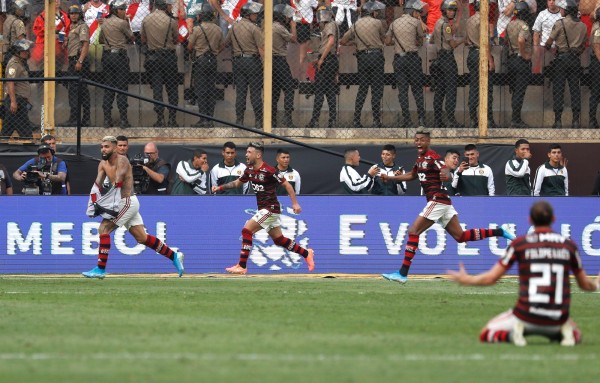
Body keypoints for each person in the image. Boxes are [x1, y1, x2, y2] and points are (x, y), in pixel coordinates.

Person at [448, 200, 600, 346]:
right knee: (576, 335)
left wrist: (467, 279)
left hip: (525, 316)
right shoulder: (569, 246)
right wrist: (597, 284)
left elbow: (491, 278)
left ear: (529, 220)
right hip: (556, 318)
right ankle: (566, 332)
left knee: (486, 333)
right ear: (553, 219)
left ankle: (512, 334)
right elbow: (585, 285)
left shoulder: (520, 244)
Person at [380, 130, 515, 283]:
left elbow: (445, 170)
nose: (418, 142)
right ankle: (500, 231)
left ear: (428, 141)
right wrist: (390, 178)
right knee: (461, 236)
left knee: (413, 231)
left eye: (422, 140)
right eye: (416, 139)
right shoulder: (420, 159)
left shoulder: (433, 156)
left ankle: (403, 273)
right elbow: (412, 175)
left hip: (437, 199)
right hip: (444, 202)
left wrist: (447, 175)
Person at [82, 136, 184, 279]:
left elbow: (118, 181)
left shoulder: (122, 160)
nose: (103, 149)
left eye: (106, 146)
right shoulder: (102, 164)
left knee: (103, 229)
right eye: (101, 147)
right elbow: (97, 185)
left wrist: (107, 204)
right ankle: (174, 256)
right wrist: (93, 201)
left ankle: (100, 269)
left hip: (127, 201)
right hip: (123, 202)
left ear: (115, 147)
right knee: (142, 238)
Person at [211, 142, 315, 274]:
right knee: (279, 240)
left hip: (270, 209)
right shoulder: (249, 170)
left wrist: (295, 203)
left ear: (258, 155)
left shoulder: (269, 170)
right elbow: (237, 183)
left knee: (246, 230)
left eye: (249, 152)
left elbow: (287, 186)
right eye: (247, 152)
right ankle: (306, 253)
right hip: (264, 210)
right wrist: (220, 187)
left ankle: (242, 266)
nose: (246, 154)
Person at [340, 0, 386, 129]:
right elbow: (384, 39)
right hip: (376, 56)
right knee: (376, 89)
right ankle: (376, 121)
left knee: (363, 89)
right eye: (375, 11)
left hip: (362, 58)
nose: (377, 13)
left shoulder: (356, 24)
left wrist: (355, 43)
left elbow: (343, 41)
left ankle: (356, 120)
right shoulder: (378, 23)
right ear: (372, 12)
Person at [545, 0, 587, 129]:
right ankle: (575, 121)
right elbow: (583, 46)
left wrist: (552, 49)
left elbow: (548, 42)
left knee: (558, 90)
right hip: (575, 60)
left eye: (562, 9)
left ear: (567, 11)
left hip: (561, 60)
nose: (561, 11)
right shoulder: (583, 26)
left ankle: (558, 121)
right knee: (575, 90)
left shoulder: (560, 23)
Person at [385, 0, 427, 128]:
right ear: (413, 11)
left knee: (402, 91)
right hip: (413, 59)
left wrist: (396, 44)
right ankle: (421, 119)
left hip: (399, 59)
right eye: (417, 12)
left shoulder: (394, 23)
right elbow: (421, 40)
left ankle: (407, 120)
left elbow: (387, 41)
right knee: (417, 90)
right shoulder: (415, 22)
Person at [222, 1, 264, 127]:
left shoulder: (234, 26)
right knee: (255, 92)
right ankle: (258, 121)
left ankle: (239, 120)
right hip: (253, 61)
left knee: (241, 93)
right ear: (248, 15)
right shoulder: (254, 28)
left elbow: (225, 44)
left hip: (238, 62)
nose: (256, 16)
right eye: (254, 14)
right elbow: (261, 48)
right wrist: (264, 64)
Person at [141, 0, 180, 128]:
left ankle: (160, 119)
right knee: (172, 89)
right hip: (168, 57)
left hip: (153, 58)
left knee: (157, 89)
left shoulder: (146, 19)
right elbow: (176, 39)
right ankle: (173, 119)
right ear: (166, 7)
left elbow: (143, 39)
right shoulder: (171, 21)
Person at [99, 0, 134, 128]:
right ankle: (123, 120)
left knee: (109, 88)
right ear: (116, 10)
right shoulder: (122, 22)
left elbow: (101, 39)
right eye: (122, 9)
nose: (124, 11)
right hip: (119, 57)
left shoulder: (104, 23)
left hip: (107, 56)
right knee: (122, 88)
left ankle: (107, 120)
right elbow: (132, 37)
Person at [187, 3, 223, 128]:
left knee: (201, 91)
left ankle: (203, 119)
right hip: (212, 60)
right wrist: (214, 51)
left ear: (201, 16)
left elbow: (189, 46)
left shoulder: (197, 29)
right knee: (211, 90)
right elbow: (221, 45)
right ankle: (210, 119)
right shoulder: (218, 29)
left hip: (201, 60)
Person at [430, 0, 464, 129]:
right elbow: (453, 44)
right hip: (448, 59)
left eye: (453, 10)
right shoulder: (445, 25)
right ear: (444, 10)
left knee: (440, 90)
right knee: (451, 90)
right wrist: (463, 40)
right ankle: (451, 120)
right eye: (450, 10)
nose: (452, 12)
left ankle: (437, 120)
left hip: (439, 58)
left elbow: (432, 39)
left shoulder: (438, 22)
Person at [306, 6, 339, 129]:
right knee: (330, 91)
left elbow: (331, 42)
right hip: (330, 60)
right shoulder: (327, 26)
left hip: (327, 61)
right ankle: (332, 121)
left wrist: (321, 59)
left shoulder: (330, 25)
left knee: (320, 91)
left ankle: (314, 120)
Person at [466, 0, 497, 129]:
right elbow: (485, 43)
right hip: (481, 54)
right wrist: (490, 59)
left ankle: (473, 118)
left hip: (472, 53)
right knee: (487, 89)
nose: (489, 8)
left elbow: (468, 40)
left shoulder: (470, 20)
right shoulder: (483, 20)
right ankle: (488, 119)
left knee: (474, 86)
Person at [61, 4, 91, 127]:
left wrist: (80, 61)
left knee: (77, 90)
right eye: (71, 13)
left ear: (80, 14)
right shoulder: (72, 27)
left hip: (78, 61)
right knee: (77, 90)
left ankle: (77, 119)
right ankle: (80, 119)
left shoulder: (82, 26)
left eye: (76, 13)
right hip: (73, 60)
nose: (73, 15)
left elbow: (85, 45)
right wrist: (66, 43)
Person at [506, 1, 532, 129]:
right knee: (519, 92)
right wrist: (524, 54)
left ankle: (515, 118)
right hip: (520, 61)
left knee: (515, 90)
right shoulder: (524, 26)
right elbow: (521, 40)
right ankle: (516, 119)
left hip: (511, 60)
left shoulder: (510, 24)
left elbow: (505, 41)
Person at [3, 39, 35, 139]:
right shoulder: (14, 64)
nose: (27, 53)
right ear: (18, 52)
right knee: (24, 129)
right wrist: (13, 101)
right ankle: (29, 147)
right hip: (16, 100)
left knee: (8, 128)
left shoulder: (20, 63)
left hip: (20, 100)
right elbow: (10, 82)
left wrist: (26, 98)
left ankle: (2, 145)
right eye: (25, 51)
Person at [272, 3, 297, 128]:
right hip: (280, 61)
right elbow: (293, 39)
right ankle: (287, 118)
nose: (288, 18)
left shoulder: (267, 26)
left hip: (270, 62)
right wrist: (293, 26)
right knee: (289, 89)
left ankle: (271, 120)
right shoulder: (279, 28)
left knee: (274, 91)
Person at [31, 0, 69, 69]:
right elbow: (37, 30)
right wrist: (51, 34)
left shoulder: (65, 16)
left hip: (60, 51)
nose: (56, 1)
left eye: (58, 0)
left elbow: (68, 32)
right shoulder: (42, 16)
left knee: (58, 71)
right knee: (43, 71)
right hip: (45, 50)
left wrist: (64, 38)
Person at [2, 0, 29, 73]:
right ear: (16, 9)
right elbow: (21, 40)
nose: (23, 11)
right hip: (16, 54)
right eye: (22, 9)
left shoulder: (7, 20)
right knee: (24, 74)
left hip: (6, 53)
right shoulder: (19, 22)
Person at [589, 7, 600, 129]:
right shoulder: (597, 28)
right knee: (596, 92)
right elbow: (597, 48)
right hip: (597, 64)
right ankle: (592, 120)